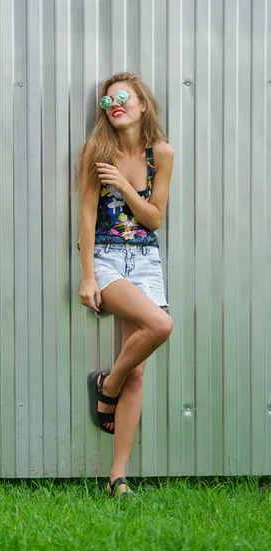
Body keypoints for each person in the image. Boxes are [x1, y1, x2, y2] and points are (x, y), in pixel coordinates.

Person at [76, 72, 174, 497]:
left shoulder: (161, 154)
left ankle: (117, 478)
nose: (114, 104)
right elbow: (84, 214)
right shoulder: (97, 151)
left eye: (123, 97)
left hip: (147, 262)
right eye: (107, 101)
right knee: (161, 327)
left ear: (141, 105)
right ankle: (107, 385)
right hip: (106, 259)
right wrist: (85, 278)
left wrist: (125, 188)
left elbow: (154, 218)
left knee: (136, 374)